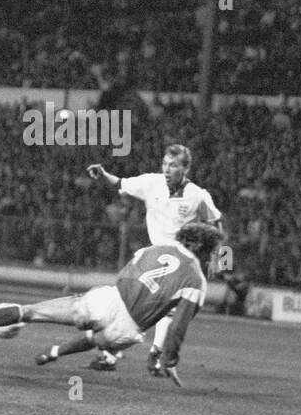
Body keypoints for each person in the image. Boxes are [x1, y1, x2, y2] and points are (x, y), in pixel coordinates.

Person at [0, 222, 223, 387]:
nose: (213, 256)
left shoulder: (155, 248)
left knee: (31, 312)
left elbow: (127, 271)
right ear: (201, 248)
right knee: (98, 339)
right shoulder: (197, 280)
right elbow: (177, 327)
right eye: (212, 250)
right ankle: (69, 352)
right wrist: (169, 361)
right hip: (128, 328)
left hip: (108, 299)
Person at [85, 143, 222, 372]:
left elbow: (216, 224)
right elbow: (121, 183)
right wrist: (103, 174)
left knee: (155, 310)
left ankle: (137, 355)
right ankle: (144, 356)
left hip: (179, 264)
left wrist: (220, 259)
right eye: (165, 164)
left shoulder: (198, 196)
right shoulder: (151, 183)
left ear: (185, 169)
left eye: (173, 165)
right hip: (154, 257)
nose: (167, 170)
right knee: (134, 307)